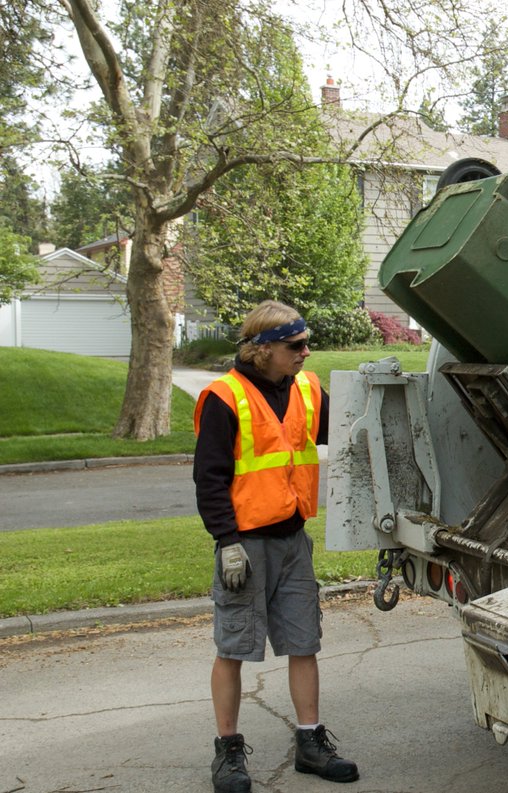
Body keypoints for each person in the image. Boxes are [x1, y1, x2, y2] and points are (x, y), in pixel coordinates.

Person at [193, 300, 358, 793]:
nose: (306, 353)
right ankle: (228, 755)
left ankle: (310, 743)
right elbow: (209, 478)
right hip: (245, 543)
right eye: (296, 346)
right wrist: (227, 543)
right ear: (263, 349)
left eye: (307, 343)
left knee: (304, 643)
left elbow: (343, 430)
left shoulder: (306, 388)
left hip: (291, 540)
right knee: (234, 647)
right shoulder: (224, 397)